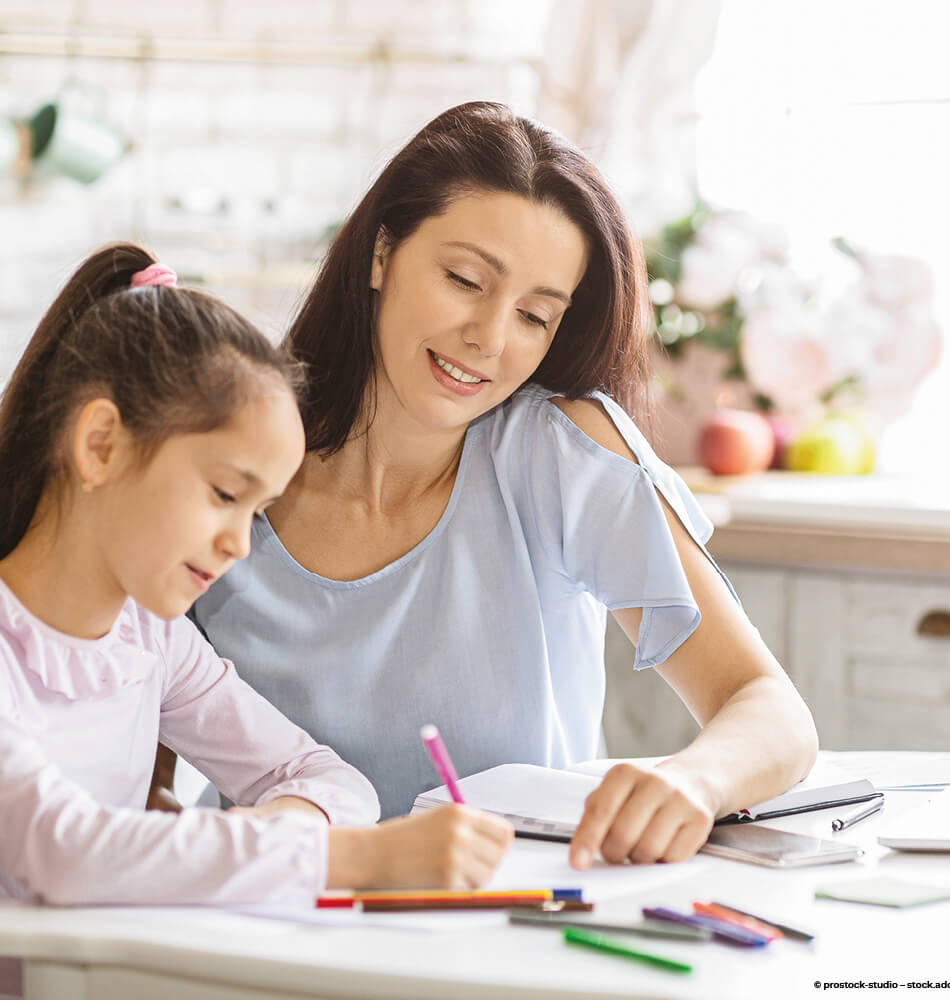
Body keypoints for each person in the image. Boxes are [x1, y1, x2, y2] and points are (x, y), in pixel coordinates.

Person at [190, 101, 819, 868]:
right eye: (464, 279)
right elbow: (139, 780)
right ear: (383, 253)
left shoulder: (558, 457)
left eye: (535, 315)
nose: (489, 337)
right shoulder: (226, 474)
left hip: (513, 934)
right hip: (269, 941)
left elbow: (772, 711)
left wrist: (696, 779)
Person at [0, 243, 514, 914]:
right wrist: (352, 858)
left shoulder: (151, 640)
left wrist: (257, 838)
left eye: (258, 512)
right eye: (223, 493)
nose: (238, 545)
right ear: (101, 445)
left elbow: (327, 779)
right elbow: (61, 853)